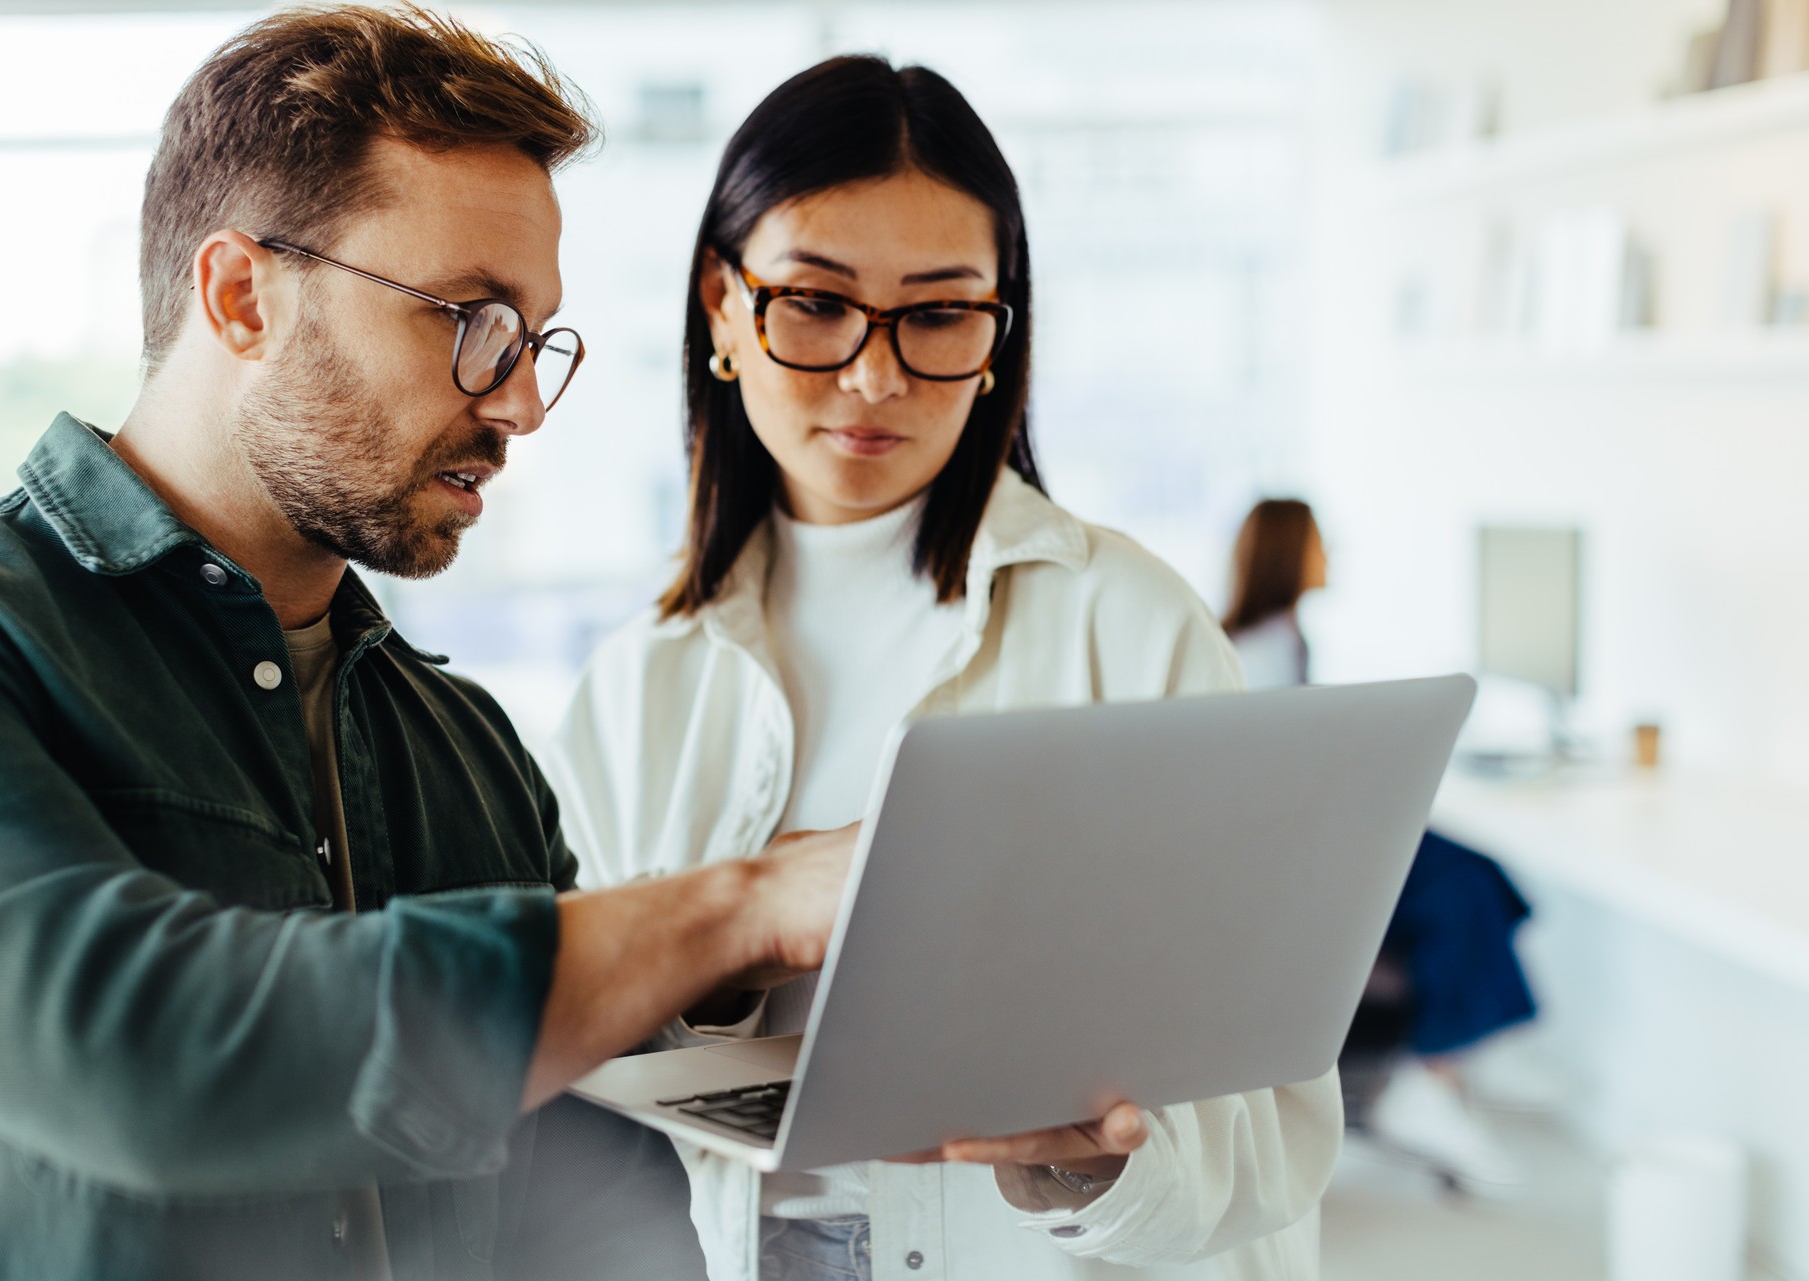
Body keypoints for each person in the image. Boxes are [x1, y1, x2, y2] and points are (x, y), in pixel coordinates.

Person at [0, 8, 862, 1279]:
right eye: (468, 317)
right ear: (242, 296)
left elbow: (594, 1204)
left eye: (532, 341)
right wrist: (740, 906)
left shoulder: (464, 747)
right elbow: (144, 1051)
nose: (516, 403)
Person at [546, 56, 1342, 1281]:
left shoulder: (1126, 624)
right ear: (721, 304)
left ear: (996, 331)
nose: (876, 375)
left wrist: (1090, 1166)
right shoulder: (635, 687)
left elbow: (1276, 1131)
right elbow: (578, 1075)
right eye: (815, 302)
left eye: (935, 313)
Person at [1220, 498, 1538, 1190]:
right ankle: (1438, 1069)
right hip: (1295, 863)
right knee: (1462, 892)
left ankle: (1468, 1045)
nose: (1331, 555)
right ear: (1289, 554)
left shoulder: (1281, 636)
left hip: (1318, 837)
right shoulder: (1264, 650)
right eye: (1319, 544)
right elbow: (1272, 787)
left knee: (1485, 875)